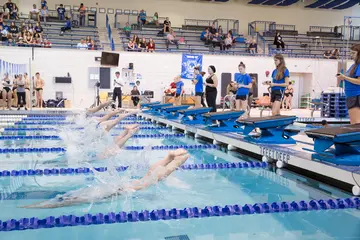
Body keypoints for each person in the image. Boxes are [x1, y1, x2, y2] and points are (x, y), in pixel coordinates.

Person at [21, 149, 190, 209]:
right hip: (114, 187)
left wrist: (38, 206)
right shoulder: (89, 193)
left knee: (148, 180)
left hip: (117, 189)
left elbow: (67, 202)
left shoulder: (85, 197)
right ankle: (170, 159)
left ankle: (175, 160)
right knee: (146, 178)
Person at [337, 44, 360, 124]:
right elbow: (351, 79)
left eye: (353, 53)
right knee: (354, 122)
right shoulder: (354, 65)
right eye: (350, 53)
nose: (351, 55)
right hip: (352, 96)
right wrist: (343, 78)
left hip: (355, 96)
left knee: (355, 123)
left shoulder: (359, 66)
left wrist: (345, 78)